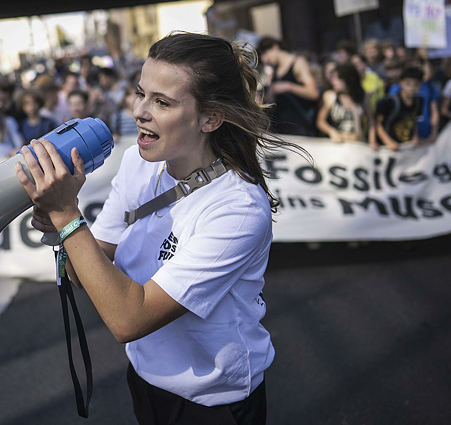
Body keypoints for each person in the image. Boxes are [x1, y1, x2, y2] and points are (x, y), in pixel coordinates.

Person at [18, 32, 295, 425]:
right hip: (146, 380)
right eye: (140, 93)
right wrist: (60, 226)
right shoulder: (137, 162)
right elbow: (88, 272)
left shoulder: (238, 209)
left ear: (210, 118)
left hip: (213, 402)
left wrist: (67, 217)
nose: (140, 111)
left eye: (162, 102)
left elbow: (129, 319)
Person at [257, 37, 319, 136]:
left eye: (266, 54)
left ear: (275, 47)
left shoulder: (297, 63)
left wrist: (288, 86)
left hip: (298, 126)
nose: (265, 59)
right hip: (281, 126)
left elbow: (313, 93)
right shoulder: (274, 69)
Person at [317, 63, 374, 144]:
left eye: (337, 79)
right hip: (339, 142)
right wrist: (332, 132)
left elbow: (371, 120)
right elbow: (320, 121)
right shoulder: (331, 96)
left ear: (348, 79)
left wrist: (372, 142)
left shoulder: (363, 97)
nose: (333, 82)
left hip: (358, 142)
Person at [388, 60, 441, 141]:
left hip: (425, 135)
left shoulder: (429, 88)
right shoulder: (395, 89)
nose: (412, 89)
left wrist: (433, 134)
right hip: (400, 138)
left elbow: (433, 112)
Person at [374, 67, 425, 150]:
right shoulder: (389, 102)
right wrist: (388, 142)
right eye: (408, 84)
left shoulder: (419, 101)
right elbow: (377, 124)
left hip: (406, 147)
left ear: (420, 85)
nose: (412, 88)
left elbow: (414, 120)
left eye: (415, 85)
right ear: (401, 83)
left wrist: (415, 137)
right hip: (387, 148)